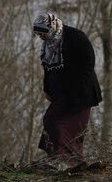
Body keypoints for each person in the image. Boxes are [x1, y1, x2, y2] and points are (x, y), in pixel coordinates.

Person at [33, 12, 102, 164]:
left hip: (80, 94)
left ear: (51, 27)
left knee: (61, 124)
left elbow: (88, 62)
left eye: (42, 32)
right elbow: (47, 68)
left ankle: (67, 160)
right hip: (61, 94)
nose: (41, 37)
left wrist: (77, 89)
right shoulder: (49, 45)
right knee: (51, 122)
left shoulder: (75, 36)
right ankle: (60, 159)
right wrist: (47, 88)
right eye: (38, 33)